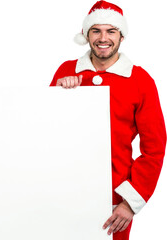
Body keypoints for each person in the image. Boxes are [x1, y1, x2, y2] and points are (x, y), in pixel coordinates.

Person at [49, 1, 166, 240]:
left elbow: (154, 148)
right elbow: (44, 129)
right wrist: (58, 94)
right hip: (64, 189)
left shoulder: (140, 80)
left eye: (111, 31)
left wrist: (131, 202)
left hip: (115, 197)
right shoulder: (67, 70)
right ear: (86, 35)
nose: (104, 38)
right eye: (96, 30)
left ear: (121, 36)